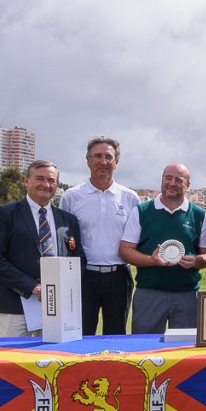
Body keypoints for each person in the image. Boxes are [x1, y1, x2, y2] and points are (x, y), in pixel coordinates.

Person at [0, 160, 85, 337]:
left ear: (57, 185)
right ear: (26, 181)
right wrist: (32, 287)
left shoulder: (68, 220)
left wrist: (63, 287)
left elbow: (79, 259)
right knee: (13, 361)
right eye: (40, 178)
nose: (46, 184)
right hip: (15, 303)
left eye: (51, 180)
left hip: (57, 306)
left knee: (52, 359)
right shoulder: (5, 214)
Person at [59, 136, 140, 335]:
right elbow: (63, 240)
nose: (103, 162)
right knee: (81, 335)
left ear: (116, 163)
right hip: (83, 276)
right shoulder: (71, 196)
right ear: (87, 160)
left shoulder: (130, 197)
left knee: (115, 336)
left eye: (108, 157)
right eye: (97, 156)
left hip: (119, 276)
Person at [119, 163, 206, 334]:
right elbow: (125, 250)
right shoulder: (142, 211)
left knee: (185, 355)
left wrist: (197, 261)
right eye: (168, 178)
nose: (172, 183)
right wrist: (150, 260)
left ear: (188, 185)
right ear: (162, 180)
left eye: (178, 180)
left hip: (187, 295)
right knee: (145, 353)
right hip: (149, 293)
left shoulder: (200, 215)